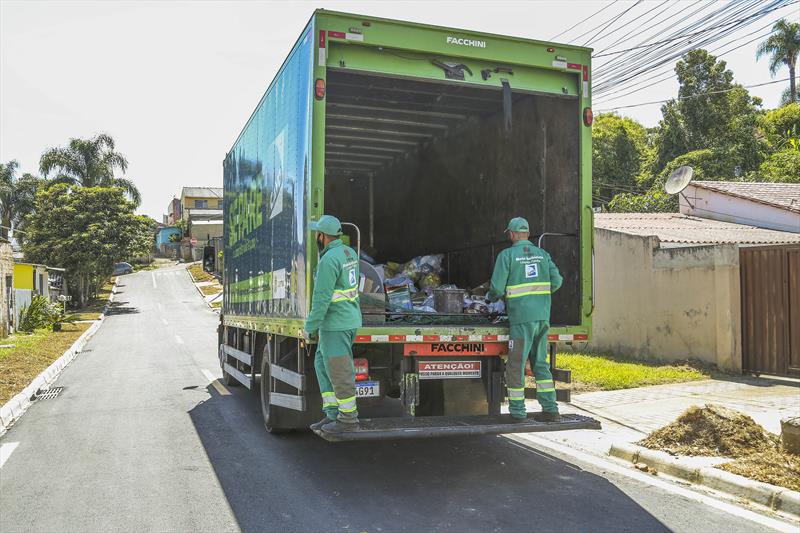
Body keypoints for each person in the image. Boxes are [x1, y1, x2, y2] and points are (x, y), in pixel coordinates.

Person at [487, 217, 563, 422]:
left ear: (511, 234)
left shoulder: (507, 256)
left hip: (521, 320)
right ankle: (551, 409)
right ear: (527, 234)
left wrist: (490, 299)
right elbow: (557, 281)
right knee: (540, 362)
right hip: (542, 317)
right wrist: (540, 297)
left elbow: (496, 288)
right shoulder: (543, 255)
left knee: (516, 363)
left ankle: (518, 412)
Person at [304, 215, 363, 433]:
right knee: (322, 364)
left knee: (339, 370)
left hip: (335, 324)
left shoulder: (328, 260)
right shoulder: (349, 253)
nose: (316, 238)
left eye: (316, 234)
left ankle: (347, 419)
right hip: (347, 319)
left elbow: (322, 300)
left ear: (322, 236)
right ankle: (332, 414)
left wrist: (309, 327)